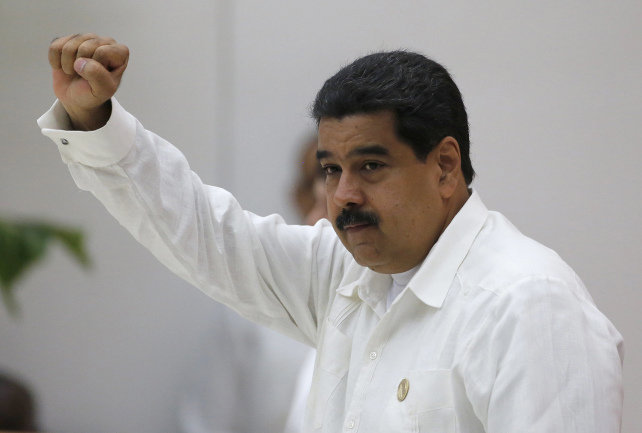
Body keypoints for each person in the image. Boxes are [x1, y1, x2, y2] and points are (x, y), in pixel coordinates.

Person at [39, 34, 623, 432]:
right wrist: (96, 122)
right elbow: (199, 230)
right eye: (331, 170)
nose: (342, 195)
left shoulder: (531, 305)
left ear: (445, 166)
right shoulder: (344, 272)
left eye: (371, 166)